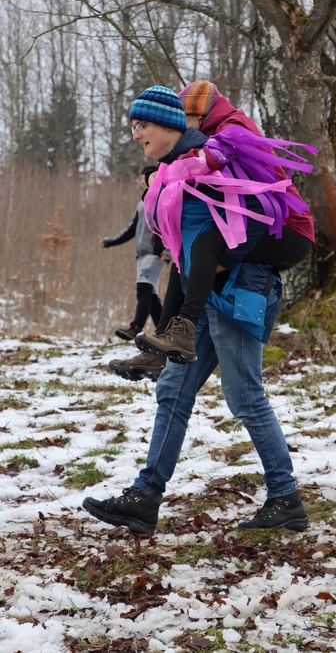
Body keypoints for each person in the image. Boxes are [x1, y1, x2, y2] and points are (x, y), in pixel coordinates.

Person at [83, 85, 313, 534]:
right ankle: (145, 497)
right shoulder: (177, 171)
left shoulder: (208, 159)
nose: (135, 135)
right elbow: (186, 259)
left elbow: (222, 235)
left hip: (240, 287)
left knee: (244, 396)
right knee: (172, 390)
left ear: (174, 122)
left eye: (141, 126)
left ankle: (286, 497)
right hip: (207, 292)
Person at [131, 82, 315, 364]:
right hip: (253, 222)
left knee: (205, 245)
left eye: (187, 121)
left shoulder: (234, 127)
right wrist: (156, 175)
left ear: (200, 116)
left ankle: (185, 329)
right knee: (185, 256)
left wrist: (166, 174)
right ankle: (161, 346)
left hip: (285, 228)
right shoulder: (206, 136)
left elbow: (210, 159)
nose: (185, 129)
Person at [101, 165, 167, 341]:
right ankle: (164, 332)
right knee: (150, 294)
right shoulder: (141, 203)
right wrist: (111, 242)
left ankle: (136, 326)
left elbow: (172, 225)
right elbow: (131, 229)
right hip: (142, 254)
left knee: (143, 289)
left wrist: (168, 250)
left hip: (157, 253)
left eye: (144, 177)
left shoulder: (164, 198)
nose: (141, 181)